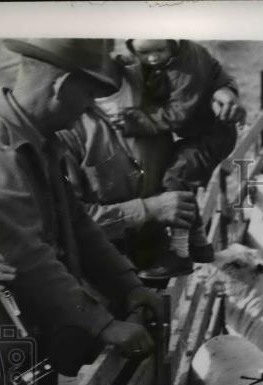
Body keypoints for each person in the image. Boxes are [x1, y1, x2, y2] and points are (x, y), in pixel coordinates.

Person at [0, 38, 163, 385]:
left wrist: (127, 285)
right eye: (88, 97)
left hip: (30, 346)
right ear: (63, 86)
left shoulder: (37, 142)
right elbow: (27, 253)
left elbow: (78, 227)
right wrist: (103, 323)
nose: (87, 112)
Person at [58, 52, 199, 282]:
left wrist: (225, 91)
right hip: (99, 277)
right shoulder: (65, 120)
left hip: (159, 263)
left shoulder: (153, 81)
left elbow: (205, 87)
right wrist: (148, 210)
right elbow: (67, 223)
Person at [111, 39, 246, 275]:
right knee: (177, 178)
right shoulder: (172, 57)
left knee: (175, 180)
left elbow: (179, 114)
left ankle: (180, 253)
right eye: (143, 53)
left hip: (211, 134)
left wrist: (136, 119)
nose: (152, 58)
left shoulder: (185, 67)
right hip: (196, 134)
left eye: (159, 50)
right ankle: (201, 244)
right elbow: (215, 70)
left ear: (173, 43)